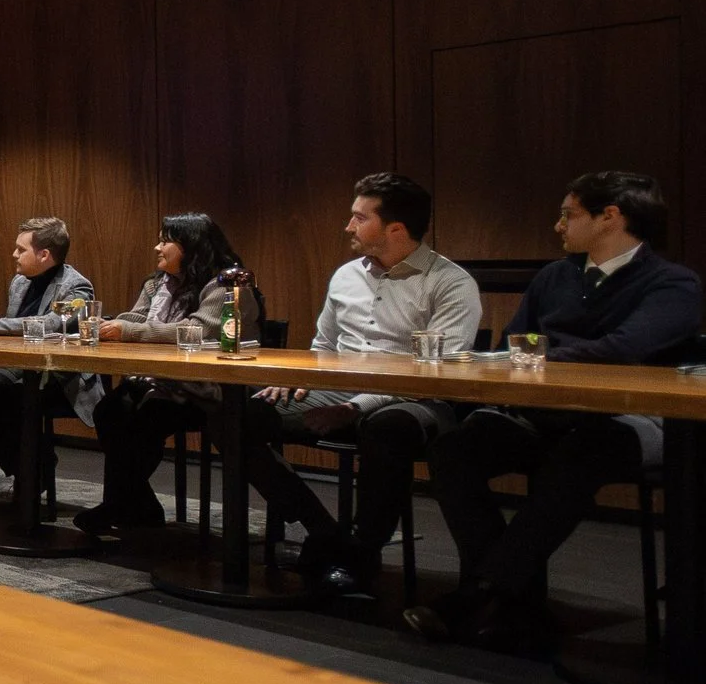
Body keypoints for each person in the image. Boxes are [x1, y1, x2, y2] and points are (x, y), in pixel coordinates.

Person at [415, 172, 704, 654]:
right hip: (546, 412)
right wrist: (543, 355)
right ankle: (515, 598)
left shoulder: (673, 283)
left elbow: (626, 349)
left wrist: (547, 353)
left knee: (578, 456)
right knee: (455, 449)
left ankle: (482, 594)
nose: (558, 225)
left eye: (569, 214)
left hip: (634, 420)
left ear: (610, 217)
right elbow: (517, 340)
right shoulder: (555, 276)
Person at [241, 174, 480, 594]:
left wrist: (357, 406)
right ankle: (324, 530)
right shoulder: (346, 276)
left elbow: (434, 371)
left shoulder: (451, 283)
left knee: (387, 428)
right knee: (241, 412)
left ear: (396, 229)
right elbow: (324, 346)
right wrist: (295, 378)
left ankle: (360, 553)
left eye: (358, 217)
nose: (348, 227)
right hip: (338, 388)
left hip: (418, 396)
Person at [75, 212, 256, 536]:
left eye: (165, 240)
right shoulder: (157, 283)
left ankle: (124, 505)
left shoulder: (224, 284)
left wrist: (128, 329)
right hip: (157, 381)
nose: (157, 247)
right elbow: (140, 318)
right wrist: (109, 324)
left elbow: (197, 330)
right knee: (109, 411)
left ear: (190, 246)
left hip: (203, 389)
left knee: (145, 419)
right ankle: (136, 504)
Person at [0, 217, 95, 484]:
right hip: (16, 365)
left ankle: (33, 468)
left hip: (57, 375)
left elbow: (49, 324)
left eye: (21, 249)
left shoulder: (77, 287)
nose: (14, 254)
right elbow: (14, 328)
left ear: (44, 254)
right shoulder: (20, 281)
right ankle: (32, 466)